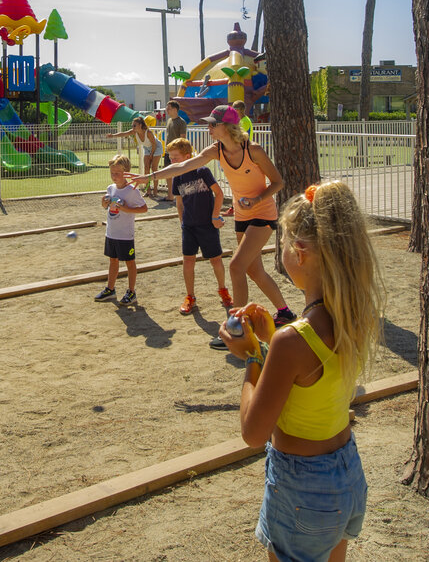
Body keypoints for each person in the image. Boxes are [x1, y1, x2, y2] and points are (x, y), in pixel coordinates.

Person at [219, 180, 385, 562]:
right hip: (347, 472)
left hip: (303, 486)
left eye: (282, 242)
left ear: (301, 252)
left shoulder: (291, 342)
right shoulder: (354, 315)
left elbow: (253, 432)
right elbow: (314, 372)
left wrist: (252, 356)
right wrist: (271, 338)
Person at [133, 104, 296, 348]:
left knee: (236, 266)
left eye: (212, 124)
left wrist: (257, 200)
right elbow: (182, 166)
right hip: (242, 215)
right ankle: (285, 313)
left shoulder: (253, 150)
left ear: (227, 126)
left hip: (262, 213)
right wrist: (149, 177)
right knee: (253, 270)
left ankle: (237, 328)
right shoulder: (215, 150)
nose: (208, 128)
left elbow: (277, 182)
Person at [166, 137, 231, 316]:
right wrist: (182, 222)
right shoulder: (177, 176)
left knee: (215, 260)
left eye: (176, 157)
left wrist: (215, 216)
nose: (172, 161)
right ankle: (190, 296)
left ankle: (223, 290)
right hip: (189, 226)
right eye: (170, 157)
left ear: (188, 156)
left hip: (207, 225)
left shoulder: (202, 171)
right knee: (188, 261)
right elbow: (179, 203)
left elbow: (219, 194)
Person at [94, 154, 149, 307]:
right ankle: (110, 289)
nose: (114, 176)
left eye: (118, 173)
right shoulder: (110, 188)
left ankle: (131, 292)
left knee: (130, 262)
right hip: (111, 232)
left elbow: (144, 208)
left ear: (126, 173)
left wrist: (126, 209)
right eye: (112, 173)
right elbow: (106, 207)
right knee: (113, 260)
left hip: (125, 235)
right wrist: (103, 203)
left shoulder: (132, 191)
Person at [104, 116, 163, 197]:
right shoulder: (134, 132)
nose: (133, 127)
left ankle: (155, 191)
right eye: (132, 125)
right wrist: (113, 135)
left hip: (156, 147)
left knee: (154, 169)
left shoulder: (148, 132)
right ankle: (148, 190)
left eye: (134, 125)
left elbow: (154, 144)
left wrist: (151, 155)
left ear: (140, 125)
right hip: (147, 148)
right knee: (146, 168)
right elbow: (124, 133)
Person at [162, 101, 187, 168]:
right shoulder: (169, 120)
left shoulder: (181, 122)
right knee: (166, 171)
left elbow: (182, 139)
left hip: (176, 152)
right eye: (166, 108)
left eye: (169, 109)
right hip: (168, 151)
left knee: (176, 171)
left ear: (175, 109)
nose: (167, 110)